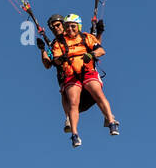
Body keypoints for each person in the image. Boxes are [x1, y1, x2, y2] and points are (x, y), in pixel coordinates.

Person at [51, 14, 118, 146]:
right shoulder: (59, 43)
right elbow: (55, 59)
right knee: (73, 102)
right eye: (68, 26)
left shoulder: (86, 37)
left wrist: (91, 54)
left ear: (78, 27)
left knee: (98, 93)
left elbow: (101, 50)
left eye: (73, 26)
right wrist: (61, 59)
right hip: (71, 75)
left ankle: (111, 121)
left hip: (87, 72)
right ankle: (74, 134)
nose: (70, 29)